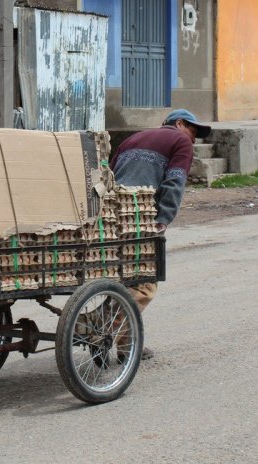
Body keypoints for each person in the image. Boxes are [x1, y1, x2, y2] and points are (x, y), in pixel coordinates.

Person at [110, 109, 211, 359]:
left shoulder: (131, 139)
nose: (194, 140)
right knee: (144, 284)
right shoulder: (180, 142)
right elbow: (174, 183)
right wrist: (163, 219)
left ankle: (126, 348)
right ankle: (99, 327)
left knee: (122, 281)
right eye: (193, 131)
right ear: (178, 123)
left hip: (112, 217)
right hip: (142, 219)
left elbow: (109, 176)